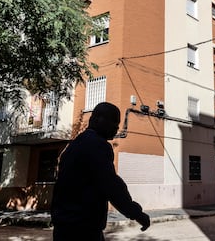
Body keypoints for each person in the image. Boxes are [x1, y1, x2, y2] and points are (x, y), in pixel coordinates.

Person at [51, 102, 150, 241]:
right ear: (98, 120)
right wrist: (136, 213)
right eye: (114, 122)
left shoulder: (75, 145)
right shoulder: (97, 145)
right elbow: (110, 184)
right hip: (82, 227)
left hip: (64, 224)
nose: (117, 127)